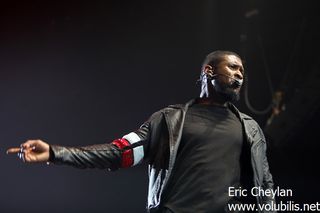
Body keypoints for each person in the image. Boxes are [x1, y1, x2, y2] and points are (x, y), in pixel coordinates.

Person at [7, 50, 276, 213]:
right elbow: (118, 153)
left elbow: (265, 186)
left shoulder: (250, 129)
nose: (239, 75)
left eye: (242, 70)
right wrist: (56, 152)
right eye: (233, 67)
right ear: (209, 71)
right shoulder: (169, 121)